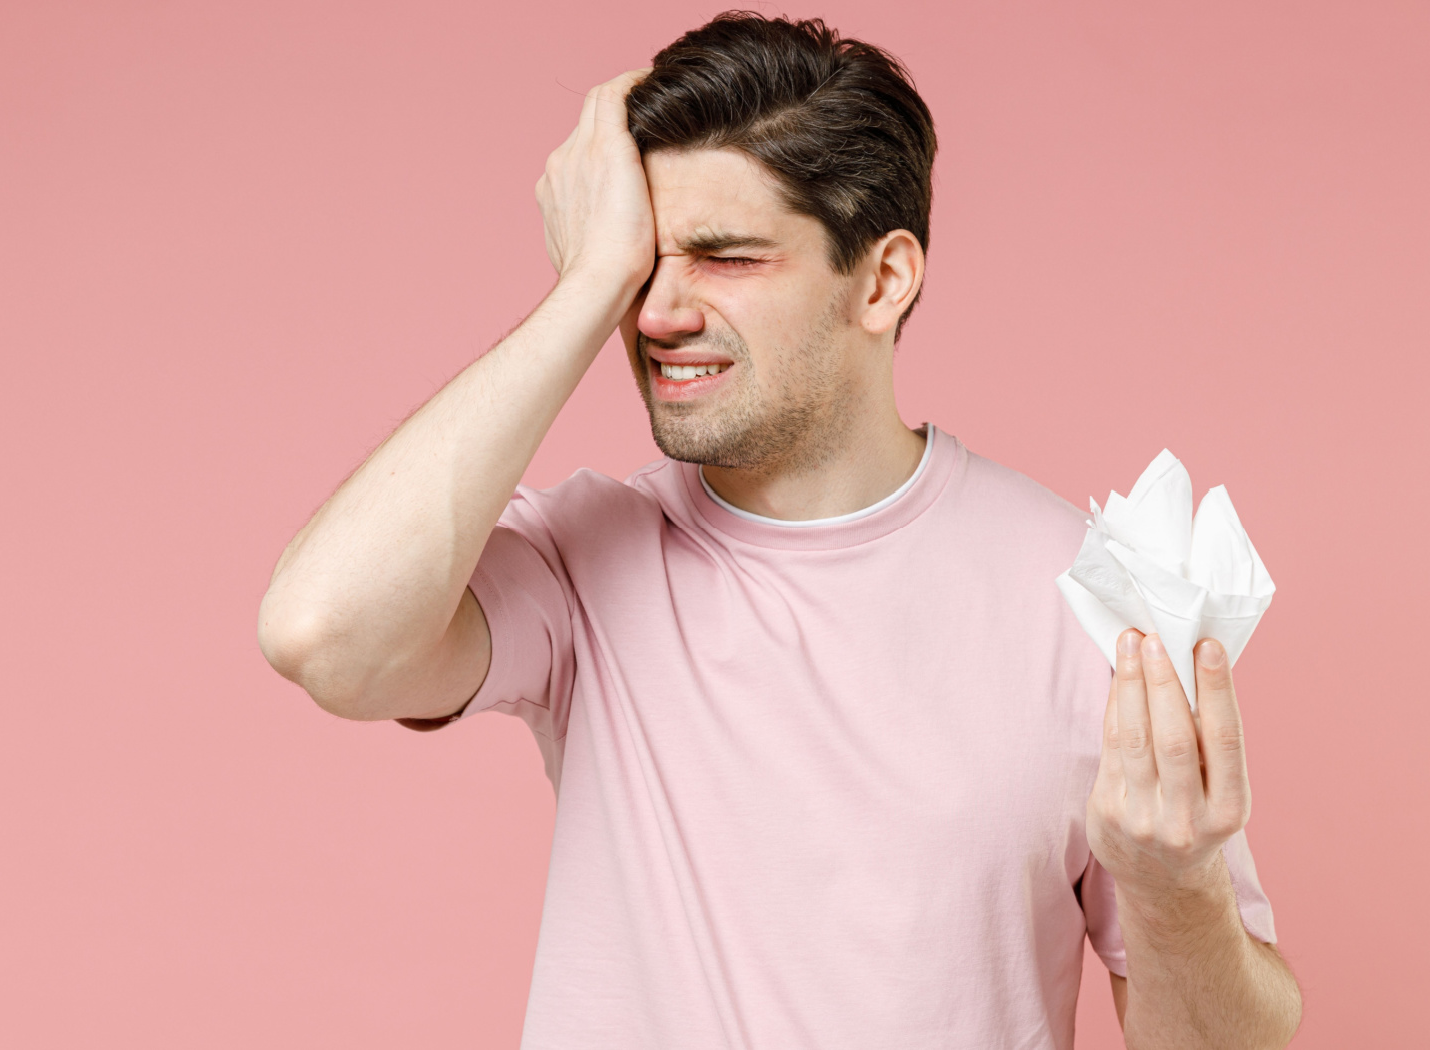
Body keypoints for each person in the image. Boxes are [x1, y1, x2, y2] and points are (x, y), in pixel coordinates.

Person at [257, 12, 1302, 1049]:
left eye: (724, 257)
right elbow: (322, 635)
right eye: (640, 264)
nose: (657, 312)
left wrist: (1170, 890)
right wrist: (581, 289)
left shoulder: (1083, 596)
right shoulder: (584, 561)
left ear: (882, 280)